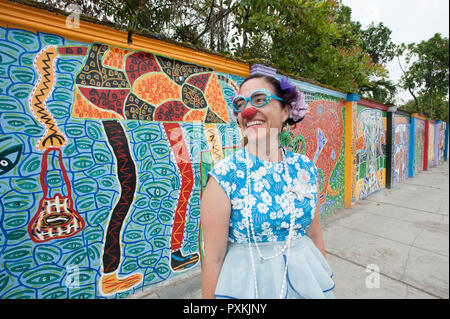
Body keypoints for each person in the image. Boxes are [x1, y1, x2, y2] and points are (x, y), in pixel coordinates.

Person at [200, 74, 335, 299]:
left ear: (285, 112)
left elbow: (314, 235)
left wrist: (322, 277)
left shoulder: (305, 167)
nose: (248, 111)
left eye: (260, 99)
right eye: (240, 104)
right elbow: (213, 259)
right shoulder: (225, 176)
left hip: (305, 284)